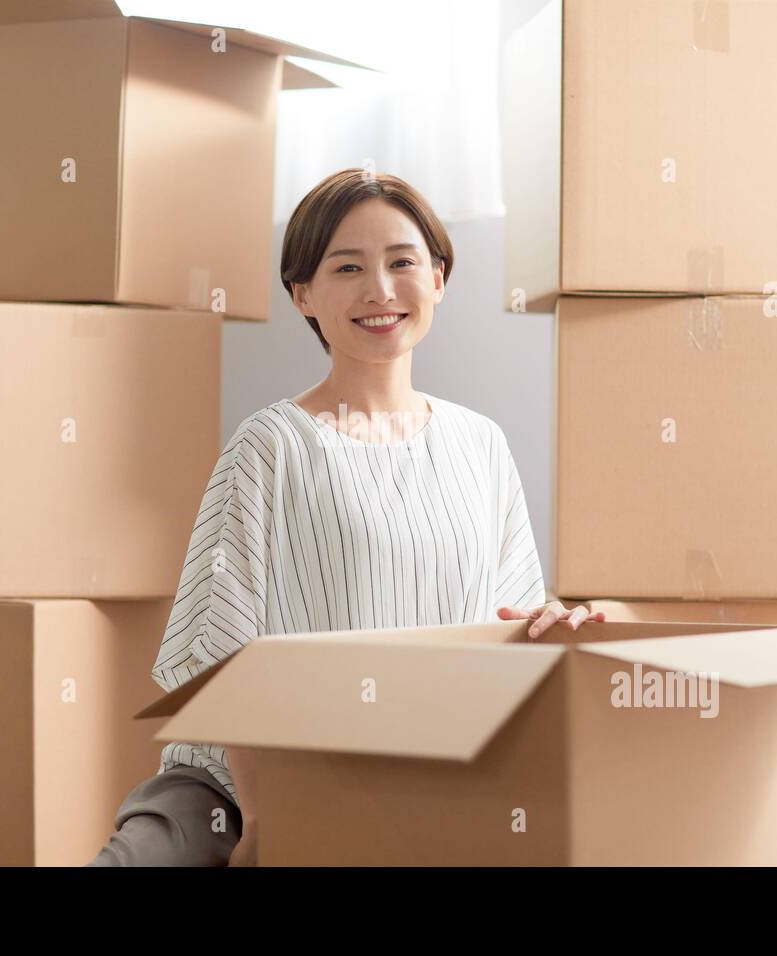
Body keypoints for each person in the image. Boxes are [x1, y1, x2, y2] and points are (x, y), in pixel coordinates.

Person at [86, 168, 601, 868]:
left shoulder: (480, 445)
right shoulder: (270, 445)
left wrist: (556, 626)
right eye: (348, 267)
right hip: (236, 789)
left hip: (422, 781)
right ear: (304, 294)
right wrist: (265, 824)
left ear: (440, 278)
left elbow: (510, 625)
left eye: (403, 262)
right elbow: (224, 663)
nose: (380, 291)